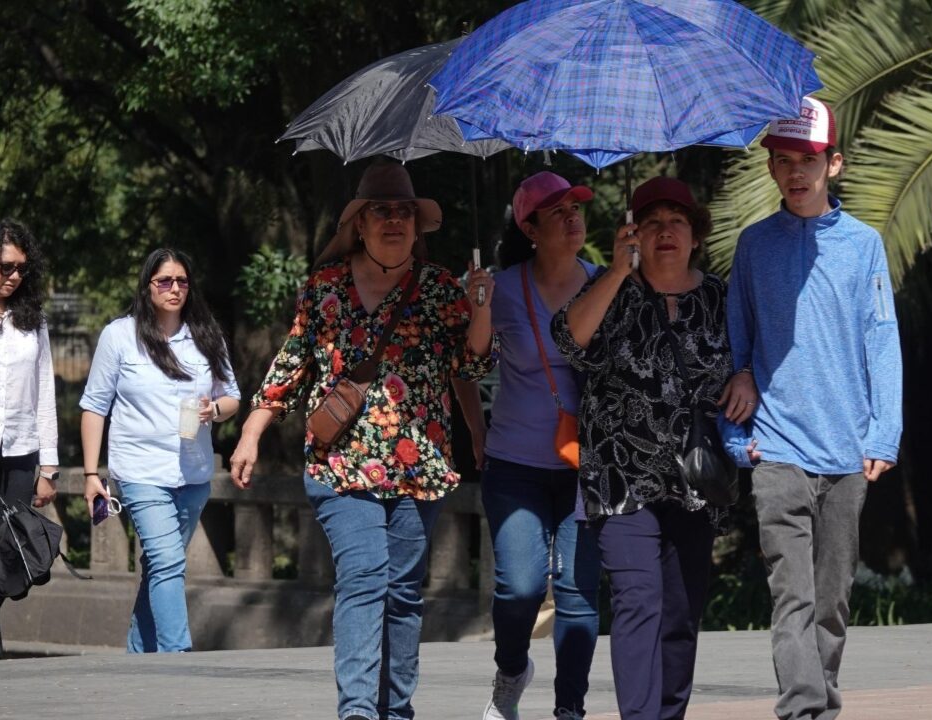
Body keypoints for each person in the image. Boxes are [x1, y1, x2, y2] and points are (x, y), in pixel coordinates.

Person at [229, 161, 497, 720]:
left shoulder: (442, 289)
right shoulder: (325, 289)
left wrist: (480, 309)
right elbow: (291, 365)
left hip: (419, 467)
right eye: (382, 211)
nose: (395, 220)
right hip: (341, 464)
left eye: (404, 211)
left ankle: (394, 710)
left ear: (418, 225)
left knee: (403, 592)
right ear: (360, 223)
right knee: (365, 576)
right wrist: (250, 433)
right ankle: (357, 711)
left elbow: (470, 361)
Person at [721, 96, 903, 720]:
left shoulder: (864, 246)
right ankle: (803, 710)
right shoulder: (753, 246)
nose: (795, 172)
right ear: (771, 168)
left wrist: (885, 432)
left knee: (832, 600)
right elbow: (734, 345)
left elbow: (882, 340)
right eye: (782, 160)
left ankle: (820, 698)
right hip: (777, 448)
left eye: (808, 159)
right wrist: (732, 432)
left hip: (848, 451)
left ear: (835, 164)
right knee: (790, 595)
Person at [551, 177, 732, 720]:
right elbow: (567, 340)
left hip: (696, 483)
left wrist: (743, 378)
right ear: (634, 233)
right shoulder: (613, 292)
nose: (665, 232)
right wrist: (615, 271)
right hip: (620, 481)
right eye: (651, 222)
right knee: (637, 602)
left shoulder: (721, 296)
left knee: (680, 615)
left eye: (677, 221)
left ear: (695, 234)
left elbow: (754, 358)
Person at [468, 172, 602, 720]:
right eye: (557, 212)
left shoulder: (605, 282)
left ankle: (570, 708)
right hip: (515, 462)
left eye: (576, 208)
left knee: (576, 591)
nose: (573, 218)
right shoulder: (500, 287)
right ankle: (511, 670)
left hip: (585, 464)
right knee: (520, 588)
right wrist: (477, 306)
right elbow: (472, 363)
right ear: (530, 228)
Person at [79, 247, 240, 653]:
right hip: (139, 471)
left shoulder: (206, 335)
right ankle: (178, 657)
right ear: (148, 286)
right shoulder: (120, 336)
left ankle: (137, 656)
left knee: (159, 567)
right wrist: (90, 474)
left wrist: (214, 409)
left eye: (182, 281)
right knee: (168, 561)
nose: (174, 288)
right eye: (164, 281)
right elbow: (95, 406)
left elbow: (233, 396)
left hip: (192, 475)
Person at [0, 220, 58, 660]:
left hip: (21, 448)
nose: (13, 276)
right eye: (4, 266)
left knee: (7, 547)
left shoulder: (34, 323)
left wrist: (48, 468)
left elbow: (45, 392)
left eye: (21, 269)